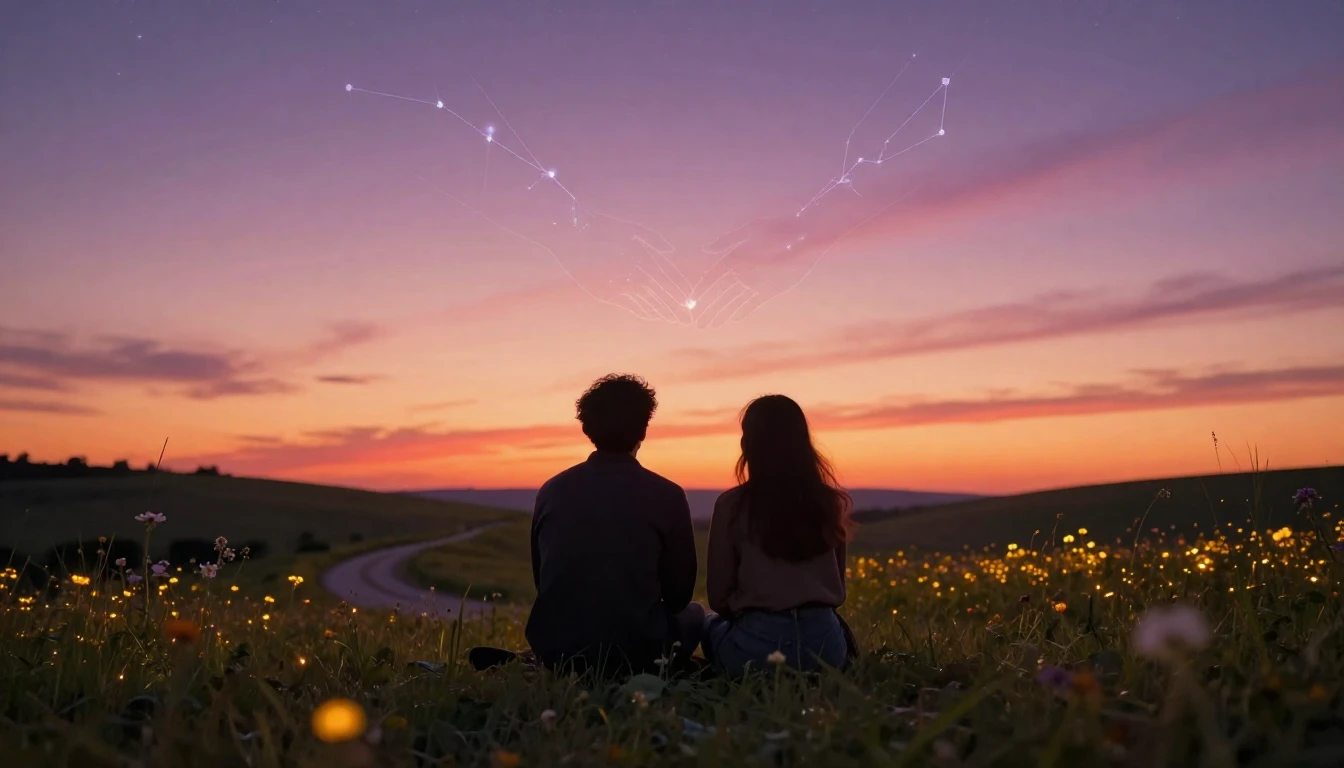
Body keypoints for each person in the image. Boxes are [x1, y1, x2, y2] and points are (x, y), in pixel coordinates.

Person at [525, 373, 704, 675]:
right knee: (696, 614)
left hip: (556, 652)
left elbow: (543, 581)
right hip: (637, 656)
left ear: (587, 428)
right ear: (643, 429)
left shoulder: (551, 490)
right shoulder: (667, 495)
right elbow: (678, 597)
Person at [702, 394, 856, 676]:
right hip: (826, 650)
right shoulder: (829, 503)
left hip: (757, 649)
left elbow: (719, 599)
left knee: (706, 624)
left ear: (748, 443)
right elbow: (839, 592)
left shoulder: (732, 506)